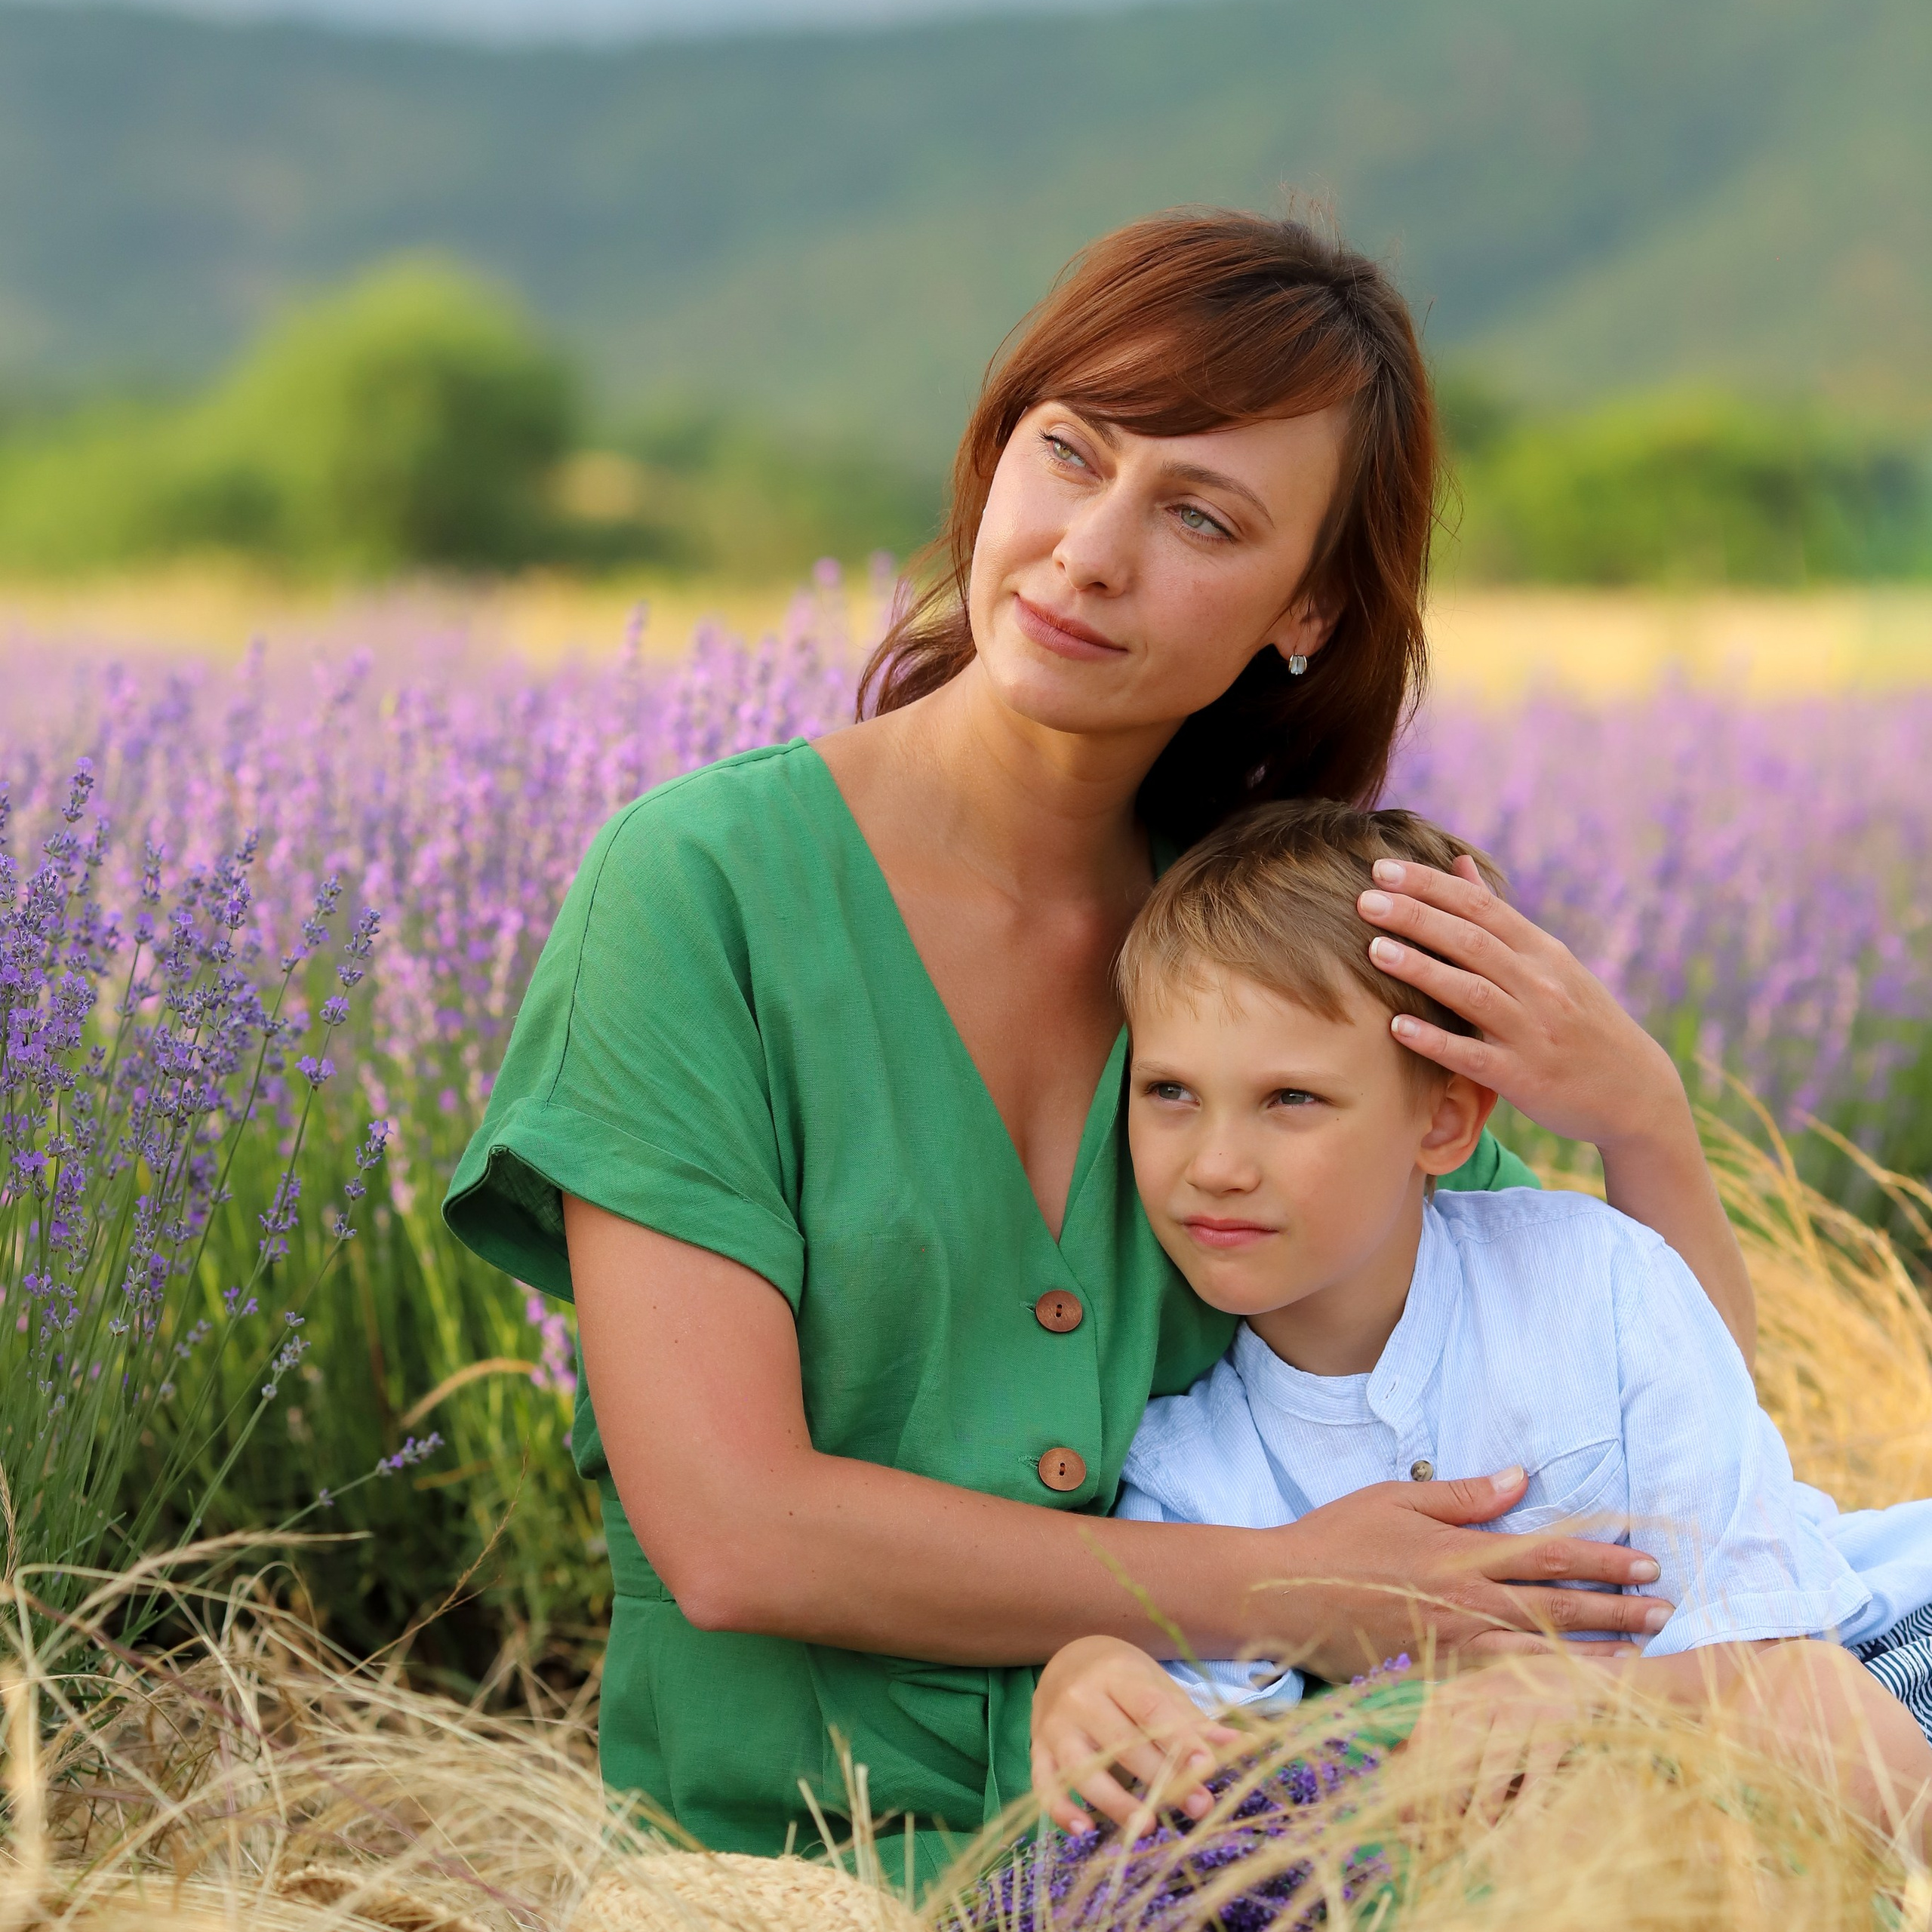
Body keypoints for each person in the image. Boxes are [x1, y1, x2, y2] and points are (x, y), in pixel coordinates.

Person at [441, 209, 1755, 1887]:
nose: (1086, 551)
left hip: (1290, 1813)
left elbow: (1669, 1480)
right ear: (995, 458)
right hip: (814, 1863)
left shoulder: (1285, 943)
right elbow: (729, 1527)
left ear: (1305, 612)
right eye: (1069, 455)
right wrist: (1271, 1583)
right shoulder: (701, 892)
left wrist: (1640, 1116)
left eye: (1198, 514)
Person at [1031, 800, 1932, 1850]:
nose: (1215, 1163)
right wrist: (1088, 1669)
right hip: (1584, 1813)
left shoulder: (1597, 1277)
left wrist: (1576, 1706)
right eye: (1171, 1091)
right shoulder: (1188, 1471)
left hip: (1869, 1657)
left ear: (1446, 1119)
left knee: (1800, 1714)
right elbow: (1242, 1783)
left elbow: (1772, 1631)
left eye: (1291, 1099)